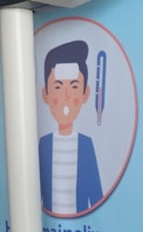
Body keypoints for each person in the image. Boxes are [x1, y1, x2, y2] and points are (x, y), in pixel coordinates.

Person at [38, 39, 104, 216]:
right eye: (58, 87)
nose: (66, 96)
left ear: (85, 94)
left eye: (74, 86)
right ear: (45, 94)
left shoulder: (86, 145)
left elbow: (97, 198)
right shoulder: (44, 144)